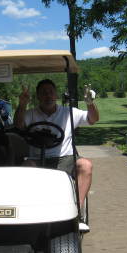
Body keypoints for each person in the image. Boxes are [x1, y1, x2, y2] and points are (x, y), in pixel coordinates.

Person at [14, 79, 99, 232]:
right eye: (43, 93)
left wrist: (90, 103)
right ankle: (31, 213)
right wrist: (22, 105)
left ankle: (77, 213)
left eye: (50, 92)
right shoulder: (31, 114)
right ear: (38, 96)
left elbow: (93, 119)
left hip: (65, 158)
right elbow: (19, 124)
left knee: (85, 165)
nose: (48, 96)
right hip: (37, 159)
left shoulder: (69, 112)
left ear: (56, 95)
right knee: (26, 167)